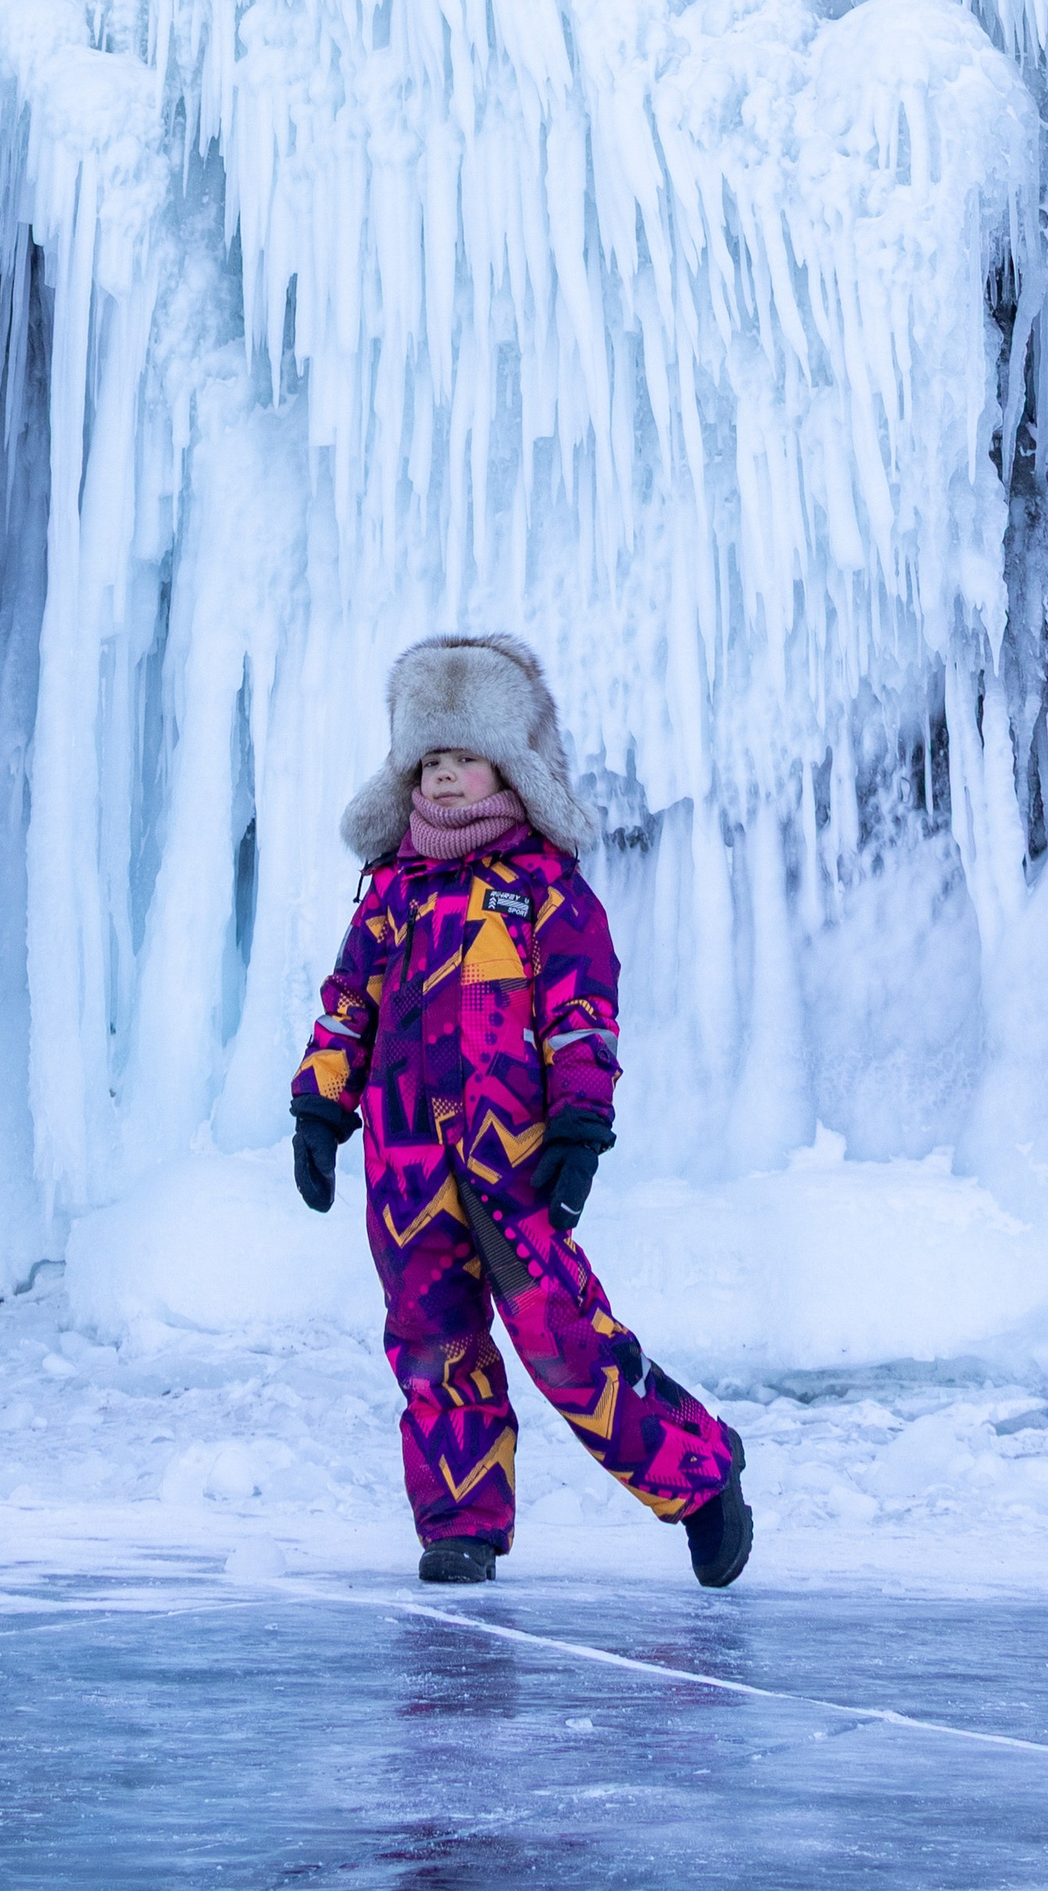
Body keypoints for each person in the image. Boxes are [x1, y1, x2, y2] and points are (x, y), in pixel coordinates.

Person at [290, 632, 753, 1588]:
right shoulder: (392, 891)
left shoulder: (545, 887)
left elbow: (583, 1012)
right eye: (431, 758)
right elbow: (347, 1005)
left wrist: (583, 1122)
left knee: (565, 1338)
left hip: (514, 1160)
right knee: (431, 1343)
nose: (447, 776)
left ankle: (703, 1474)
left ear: (508, 763)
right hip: (408, 1168)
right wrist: (319, 1108)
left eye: (465, 756)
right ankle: (459, 1525)